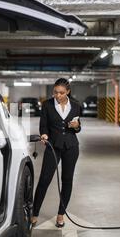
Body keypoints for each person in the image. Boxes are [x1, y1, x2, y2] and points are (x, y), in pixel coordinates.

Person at [31, 78, 82, 228]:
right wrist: (44, 135)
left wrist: (77, 126)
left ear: (68, 92)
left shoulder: (76, 106)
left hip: (72, 147)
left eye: (61, 93)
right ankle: (34, 214)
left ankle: (61, 215)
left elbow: (79, 127)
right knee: (44, 180)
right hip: (53, 146)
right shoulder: (47, 105)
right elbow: (43, 125)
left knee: (67, 181)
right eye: (55, 92)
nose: (58, 95)